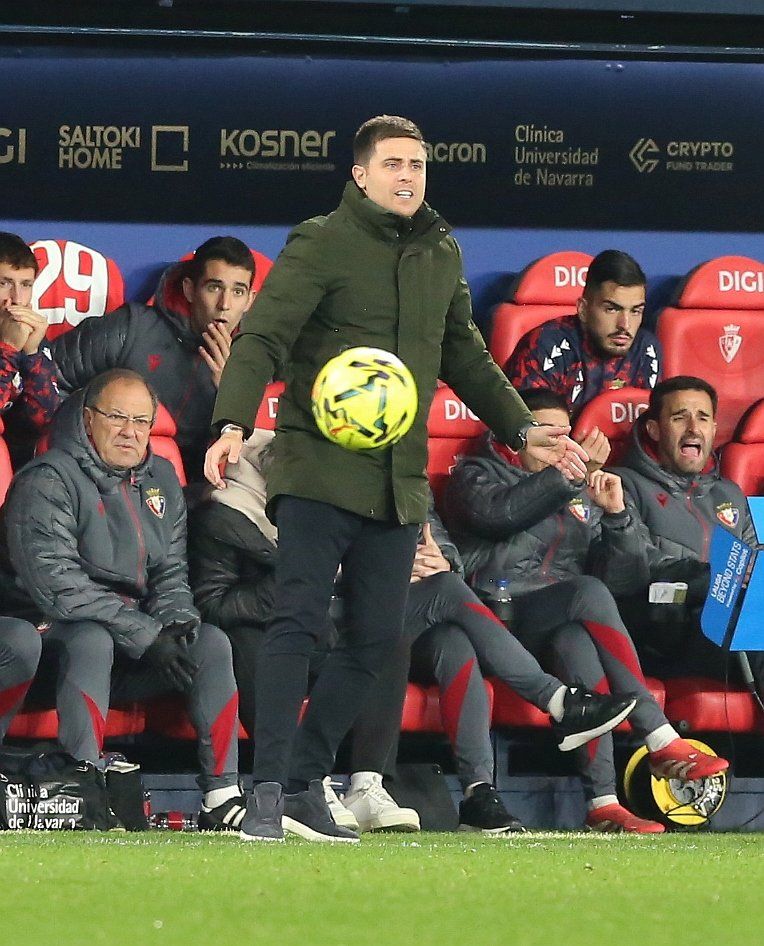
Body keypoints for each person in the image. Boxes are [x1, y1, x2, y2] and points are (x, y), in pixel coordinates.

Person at [204, 114, 593, 843]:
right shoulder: (321, 240)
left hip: (396, 481)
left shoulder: (441, 252)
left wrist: (521, 430)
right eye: (392, 164)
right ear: (360, 174)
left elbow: (466, 354)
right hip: (318, 467)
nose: (408, 175)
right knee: (296, 620)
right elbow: (263, 336)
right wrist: (231, 422)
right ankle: (266, 792)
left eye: (417, 163)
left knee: (381, 641)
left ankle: (301, 782)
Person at [190, 429, 635, 835]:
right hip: (286, 633)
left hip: (343, 621)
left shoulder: (352, 499)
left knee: (437, 592)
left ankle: (369, 785)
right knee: (397, 618)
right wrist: (308, 579)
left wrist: (415, 563)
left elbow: (408, 549)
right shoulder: (229, 511)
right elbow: (214, 601)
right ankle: (557, 702)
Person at [444, 387, 729, 832]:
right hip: (492, 619)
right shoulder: (478, 474)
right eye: (546, 435)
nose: (559, 446)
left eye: (565, 436)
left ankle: (603, 803)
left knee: (578, 640)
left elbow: (625, 581)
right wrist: (562, 481)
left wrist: (616, 518)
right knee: (588, 592)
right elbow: (497, 516)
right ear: (514, 435)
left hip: (550, 623)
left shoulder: (576, 493)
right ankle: (658, 735)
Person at [1, 369, 244, 831]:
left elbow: (170, 573)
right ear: (88, 419)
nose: (130, 432)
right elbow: (60, 589)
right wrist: (149, 636)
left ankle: (222, 795)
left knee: (208, 642)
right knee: (91, 638)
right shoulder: (47, 480)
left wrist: (175, 626)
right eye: (117, 418)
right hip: (46, 637)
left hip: (131, 639)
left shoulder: (162, 478)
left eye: (141, 421)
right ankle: (83, 788)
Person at [51, 236, 256, 483]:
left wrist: (233, 399)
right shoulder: (132, 328)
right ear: (189, 289)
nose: (224, 304)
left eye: (237, 291)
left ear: (249, 301)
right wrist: (88, 458)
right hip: (103, 479)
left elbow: (257, 461)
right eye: (214, 287)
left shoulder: (256, 363)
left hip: (193, 496)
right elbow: (48, 379)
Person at [613, 375, 764, 688]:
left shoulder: (729, 493)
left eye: (703, 418)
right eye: (680, 418)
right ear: (654, 430)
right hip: (667, 631)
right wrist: (712, 578)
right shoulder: (623, 485)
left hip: (734, 624)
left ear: (713, 430)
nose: (694, 429)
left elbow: (754, 561)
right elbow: (637, 567)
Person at [504, 249, 661, 419]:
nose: (625, 325)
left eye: (636, 311)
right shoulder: (545, 345)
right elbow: (527, 434)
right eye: (611, 309)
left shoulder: (646, 349)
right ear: (583, 309)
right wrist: (577, 446)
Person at [0, 231, 61, 463]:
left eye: (26, 285)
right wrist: (8, 349)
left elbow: (46, 420)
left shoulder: (27, 335)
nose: (16, 298)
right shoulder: (12, 339)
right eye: (4, 283)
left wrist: (32, 354)